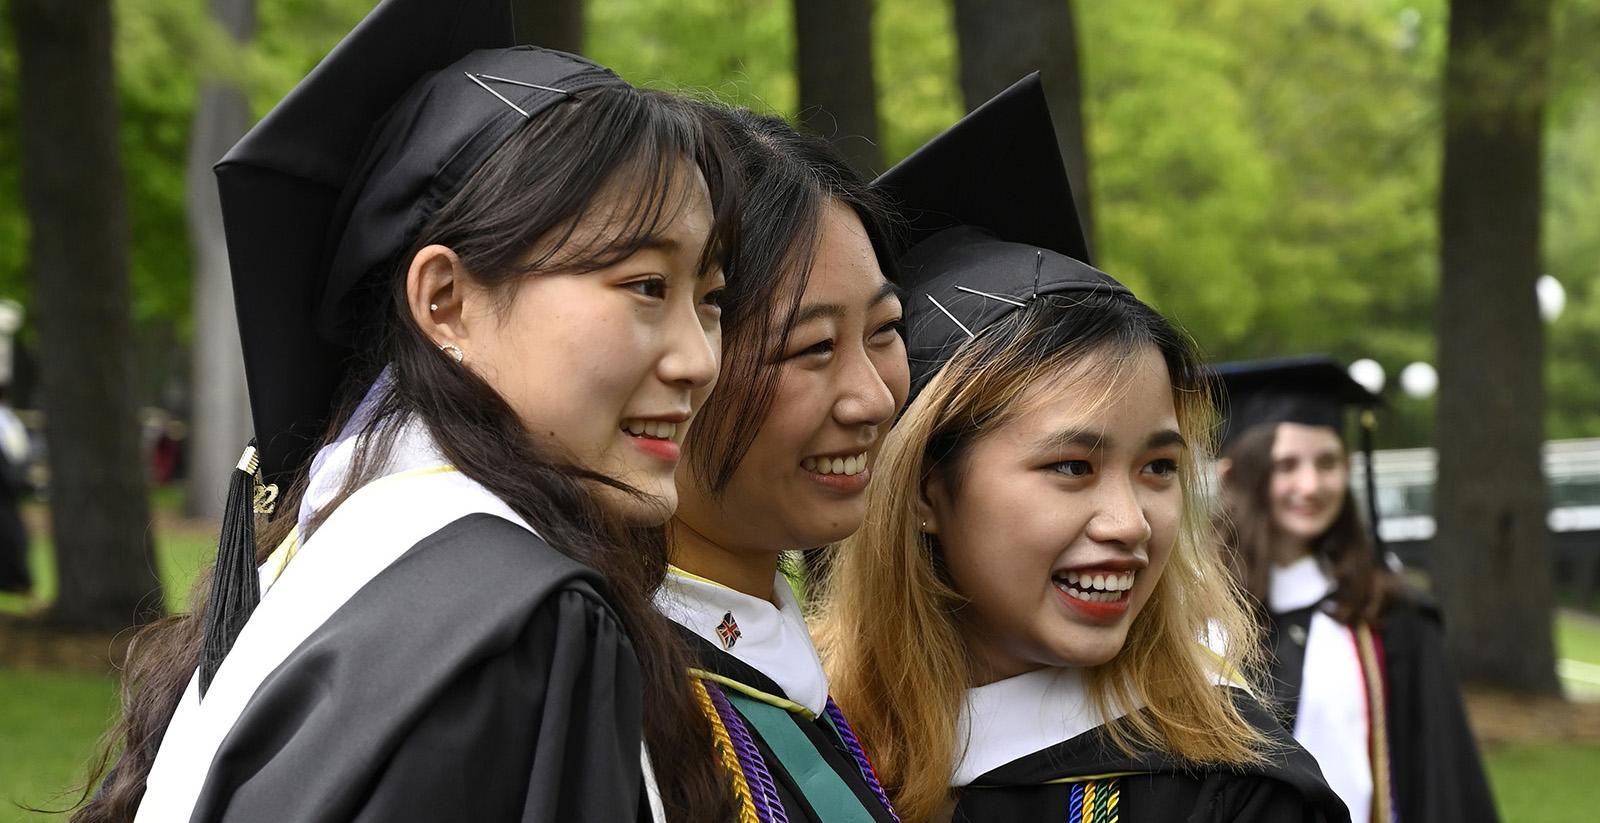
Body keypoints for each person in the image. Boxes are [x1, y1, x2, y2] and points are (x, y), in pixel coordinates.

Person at [75, 1, 736, 820]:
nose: (699, 360)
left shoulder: (338, 555)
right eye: (645, 286)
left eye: (711, 298)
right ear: (445, 300)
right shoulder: (523, 628)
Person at [816, 76, 1349, 823]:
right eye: (1073, 466)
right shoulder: (803, 750)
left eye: (1159, 467)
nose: (1130, 523)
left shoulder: (1232, 795)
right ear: (925, 492)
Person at [654, 105, 906, 823]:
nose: (871, 397)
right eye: (812, 348)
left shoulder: (802, 673)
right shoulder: (617, 703)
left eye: (886, 331)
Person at [1213, 354, 1498, 823]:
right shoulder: (1194, 615)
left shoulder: (1388, 615)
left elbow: (1443, 781)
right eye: (1286, 465)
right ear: (1237, 474)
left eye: (1327, 463)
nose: (1310, 485)